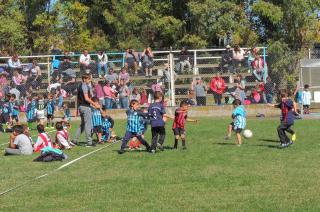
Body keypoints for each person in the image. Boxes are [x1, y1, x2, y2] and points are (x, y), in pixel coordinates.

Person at [72, 74, 100, 147]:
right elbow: (87, 98)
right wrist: (95, 104)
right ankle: (89, 142)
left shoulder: (81, 86)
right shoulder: (84, 86)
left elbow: (78, 99)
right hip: (85, 107)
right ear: (84, 79)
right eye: (88, 79)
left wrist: (77, 108)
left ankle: (74, 140)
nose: (89, 80)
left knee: (83, 125)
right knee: (88, 124)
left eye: (90, 79)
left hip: (82, 107)